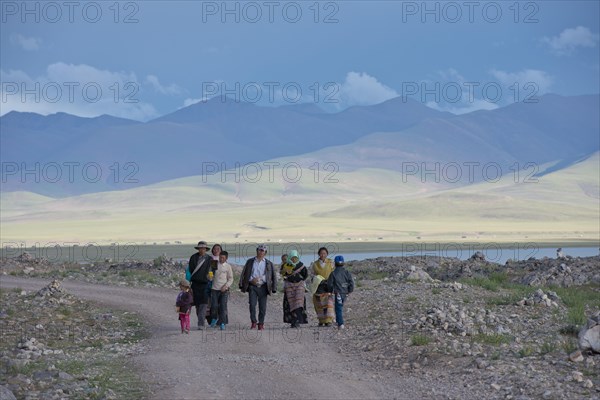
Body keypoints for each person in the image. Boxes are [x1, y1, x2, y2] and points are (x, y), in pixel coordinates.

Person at [239, 244, 277, 330]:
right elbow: (245, 273)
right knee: (252, 305)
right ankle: (253, 322)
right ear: (257, 251)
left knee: (262, 307)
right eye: (259, 250)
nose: (260, 252)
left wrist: (274, 287)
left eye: (262, 250)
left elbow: (272, 276)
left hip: (263, 287)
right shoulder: (250, 261)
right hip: (252, 286)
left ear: (265, 252)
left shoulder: (268, 263)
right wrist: (250, 280)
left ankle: (261, 324)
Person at [280, 250, 308, 328]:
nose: (294, 259)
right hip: (289, 286)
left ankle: (298, 320)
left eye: (295, 257)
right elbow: (282, 274)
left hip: (299, 286)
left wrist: (299, 280)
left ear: (298, 257)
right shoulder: (285, 265)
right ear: (290, 258)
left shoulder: (301, 265)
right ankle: (293, 321)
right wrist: (285, 272)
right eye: (292, 257)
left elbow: (305, 275)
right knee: (290, 303)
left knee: (299, 303)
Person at [188, 241, 213, 330]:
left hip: (206, 284)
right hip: (195, 284)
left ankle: (201, 323)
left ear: (206, 249)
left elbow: (214, 269)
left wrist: (210, 276)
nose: (202, 250)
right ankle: (201, 320)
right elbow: (190, 270)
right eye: (200, 248)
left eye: (203, 248)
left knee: (204, 303)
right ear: (198, 249)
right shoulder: (193, 258)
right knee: (198, 304)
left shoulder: (211, 259)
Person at [327, 255, 354, 330]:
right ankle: (339, 321)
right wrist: (350, 290)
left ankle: (340, 323)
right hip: (345, 292)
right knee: (341, 306)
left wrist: (330, 291)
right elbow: (351, 282)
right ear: (343, 263)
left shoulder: (333, 273)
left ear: (335, 264)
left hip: (338, 293)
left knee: (338, 308)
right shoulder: (347, 272)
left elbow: (330, 284)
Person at [310, 247, 335, 327]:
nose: (323, 255)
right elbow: (312, 274)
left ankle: (328, 320)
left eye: (324, 253)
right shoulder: (315, 264)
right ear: (319, 254)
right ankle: (321, 320)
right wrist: (316, 279)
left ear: (327, 254)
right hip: (318, 285)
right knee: (319, 303)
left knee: (328, 303)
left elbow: (333, 273)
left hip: (328, 285)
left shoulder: (331, 263)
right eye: (321, 253)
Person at [210, 251, 234, 330]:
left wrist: (226, 286)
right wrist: (209, 277)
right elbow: (210, 273)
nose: (221, 259)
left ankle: (222, 323)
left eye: (223, 258)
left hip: (224, 290)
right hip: (214, 288)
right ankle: (214, 318)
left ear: (226, 258)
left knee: (223, 307)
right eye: (220, 257)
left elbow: (231, 278)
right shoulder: (214, 263)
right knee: (214, 306)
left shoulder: (228, 266)